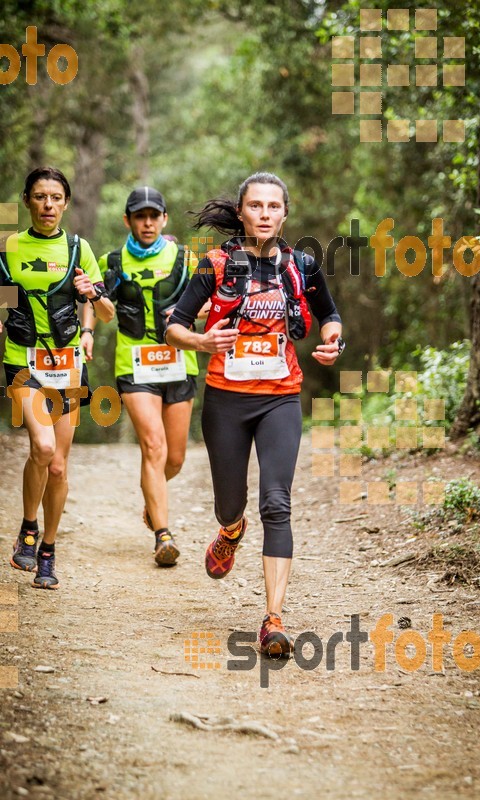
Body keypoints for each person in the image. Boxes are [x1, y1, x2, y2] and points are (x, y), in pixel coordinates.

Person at [166, 172, 344, 656]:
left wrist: (333, 341)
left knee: (277, 503)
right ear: (241, 212)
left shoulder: (303, 265)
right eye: (256, 206)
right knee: (232, 504)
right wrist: (202, 341)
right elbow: (174, 327)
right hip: (226, 399)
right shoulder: (217, 264)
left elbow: (329, 316)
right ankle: (230, 530)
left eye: (273, 206)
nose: (265, 214)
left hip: (280, 398)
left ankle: (274, 618)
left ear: (285, 213)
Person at [0, 166, 114, 589]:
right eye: (40, 196)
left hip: (67, 367)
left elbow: (106, 314)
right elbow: (4, 300)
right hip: (22, 363)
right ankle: (28, 526)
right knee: (43, 446)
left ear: (66, 203)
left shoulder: (78, 248)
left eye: (56, 198)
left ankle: (47, 549)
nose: (48, 205)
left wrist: (93, 295)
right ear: (27, 199)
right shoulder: (9, 248)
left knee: (60, 467)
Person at [82, 187, 201, 566]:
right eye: (139, 216)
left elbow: (211, 305)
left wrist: (189, 318)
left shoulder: (186, 259)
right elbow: (100, 309)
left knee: (176, 458)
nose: (147, 222)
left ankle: (152, 496)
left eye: (154, 215)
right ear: (128, 221)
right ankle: (163, 536)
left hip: (180, 361)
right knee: (153, 445)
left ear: (164, 219)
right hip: (134, 363)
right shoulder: (112, 261)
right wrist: (92, 314)